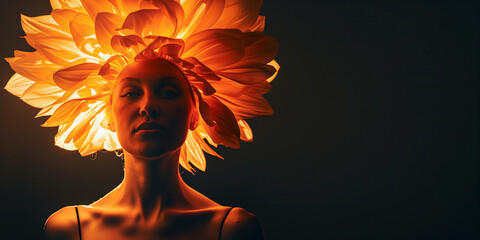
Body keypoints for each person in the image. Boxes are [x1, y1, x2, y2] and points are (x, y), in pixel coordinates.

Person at [5, 0, 279, 239]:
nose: (148, 106)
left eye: (168, 92)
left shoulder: (232, 229)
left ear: (196, 113)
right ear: (108, 116)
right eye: (131, 93)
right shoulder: (70, 229)